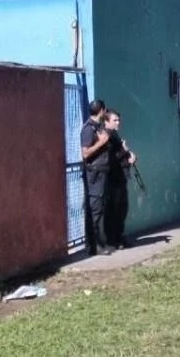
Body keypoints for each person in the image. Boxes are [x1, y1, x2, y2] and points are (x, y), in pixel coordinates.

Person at [79, 99, 112, 256]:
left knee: (100, 209)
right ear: (102, 110)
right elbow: (85, 153)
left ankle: (99, 244)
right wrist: (101, 142)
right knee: (95, 210)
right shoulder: (88, 129)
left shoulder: (99, 126)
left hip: (102, 171)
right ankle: (94, 246)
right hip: (94, 174)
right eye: (105, 110)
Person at [102, 110, 137, 250]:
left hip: (120, 178)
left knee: (122, 209)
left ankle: (119, 236)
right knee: (113, 210)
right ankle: (112, 239)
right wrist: (127, 156)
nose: (118, 122)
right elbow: (113, 158)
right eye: (115, 120)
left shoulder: (114, 135)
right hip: (112, 179)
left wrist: (128, 155)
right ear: (107, 121)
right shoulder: (106, 137)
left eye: (118, 120)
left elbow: (120, 155)